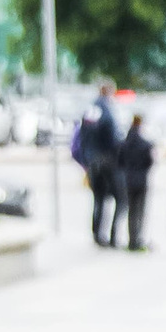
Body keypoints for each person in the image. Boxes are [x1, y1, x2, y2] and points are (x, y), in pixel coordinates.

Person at [72, 88, 122, 246]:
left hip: (91, 161)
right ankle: (110, 235)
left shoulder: (89, 110)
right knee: (118, 198)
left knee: (98, 199)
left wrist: (85, 160)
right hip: (106, 161)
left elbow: (81, 138)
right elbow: (113, 138)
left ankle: (96, 233)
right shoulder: (107, 111)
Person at [116, 111, 154, 252]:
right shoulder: (145, 144)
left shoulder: (125, 143)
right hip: (141, 179)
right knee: (140, 211)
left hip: (129, 179)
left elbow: (120, 161)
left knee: (131, 211)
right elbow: (149, 162)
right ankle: (138, 238)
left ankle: (132, 239)